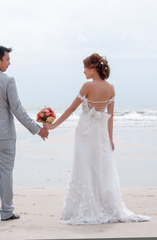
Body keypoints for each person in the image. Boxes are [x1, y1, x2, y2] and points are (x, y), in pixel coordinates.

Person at [44, 53, 150, 225]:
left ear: (93, 69)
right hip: (100, 133)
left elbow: (71, 109)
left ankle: (86, 206)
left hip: (85, 132)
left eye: (85, 68)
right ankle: (105, 204)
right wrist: (110, 139)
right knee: (101, 168)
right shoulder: (111, 88)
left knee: (84, 166)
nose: (83, 71)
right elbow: (110, 116)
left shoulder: (87, 86)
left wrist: (54, 125)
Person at [0, 45, 49, 221]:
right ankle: (6, 212)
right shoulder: (8, 81)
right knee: (6, 173)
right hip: (5, 134)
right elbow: (18, 110)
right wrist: (37, 130)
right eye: (7, 59)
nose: (9, 63)